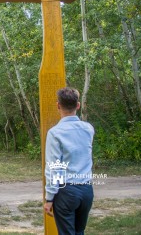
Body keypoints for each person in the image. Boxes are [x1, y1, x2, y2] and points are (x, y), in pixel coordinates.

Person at [44, 87, 95, 235]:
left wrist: (49, 198)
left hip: (66, 192)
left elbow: (54, 167)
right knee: (80, 232)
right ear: (78, 105)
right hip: (86, 190)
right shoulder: (89, 129)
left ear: (58, 105)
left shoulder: (55, 133)